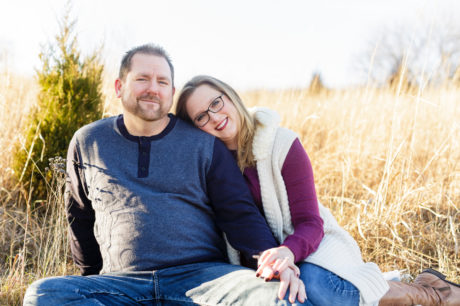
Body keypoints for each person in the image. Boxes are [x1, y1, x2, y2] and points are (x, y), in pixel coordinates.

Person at [23, 44, 307, 305]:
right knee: (44, 294)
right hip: (122, 285)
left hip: (204, 280)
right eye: (142, 79)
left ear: (171, 93)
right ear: (119, 86)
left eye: (162, 82)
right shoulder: (89, 141)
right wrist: (92, 280)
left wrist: (270, 262)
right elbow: (80, 217)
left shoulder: (203, 143)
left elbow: (239, 214)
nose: (153, 88)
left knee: (277, 297)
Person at [175, 75, 460, 306]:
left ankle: (430, 293)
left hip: (312, 242)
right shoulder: (208, 167)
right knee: (293, 295)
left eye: (216, 102)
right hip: (260, 261)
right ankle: (388, 284)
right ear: (194, 128)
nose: (214, 116)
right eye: (201, 116)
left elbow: (311, 222)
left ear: (230, 96)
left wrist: (288, 252)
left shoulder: (282, 144)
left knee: (314, 286)